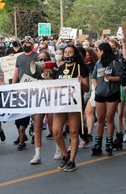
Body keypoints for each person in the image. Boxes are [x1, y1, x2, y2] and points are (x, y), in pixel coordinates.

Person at [52, 44, 90, 172]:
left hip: (74, 103)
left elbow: (87, 88)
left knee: (73, 132)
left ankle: (72, 160)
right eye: (65, 52)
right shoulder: (61, 68)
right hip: (61, 104)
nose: (67, 54)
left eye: (70, 52)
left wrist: (80, 84)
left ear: (75, 54)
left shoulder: (81, 68)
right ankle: (65, 154)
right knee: (56, 131)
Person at [91, 42, 124, 156]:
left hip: (112, 93)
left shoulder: (115, 63)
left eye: (98, 50)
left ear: (103, 51)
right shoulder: (98, 63)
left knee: (109, 118)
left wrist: (108, 77)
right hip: (100, 93)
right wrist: (95, 84)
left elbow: (121, 78)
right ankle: (98, 143)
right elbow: (94, 76)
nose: (97, 52)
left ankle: (109, 142)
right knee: (100, 118)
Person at [12, 36, 38, 151]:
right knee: (21, 115)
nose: (25, 45)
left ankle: (34, 134)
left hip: (35, 89)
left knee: (34, 115)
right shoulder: (19, 58)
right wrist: (13, 86)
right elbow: (16, 73)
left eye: (28, 43)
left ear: (32, 45)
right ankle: (22, 139)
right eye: (24, 43)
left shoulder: (37, 56)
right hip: (22, 89)